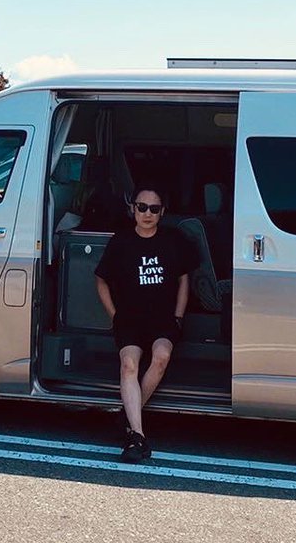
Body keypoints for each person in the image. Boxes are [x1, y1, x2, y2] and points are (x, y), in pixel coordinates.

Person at [94, 185, 195, 463]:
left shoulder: (173, 240)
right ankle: (137, 435)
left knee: (161, 357)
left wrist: (178, 315)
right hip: (129, 317)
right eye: (142, 207)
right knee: (129, 364)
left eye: (153, 209)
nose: (147, 213)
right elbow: (101, 278)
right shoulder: (121, 241)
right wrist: (114, 313)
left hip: (163, 318)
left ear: (162, 212)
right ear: (132, 209)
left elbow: (184, 278)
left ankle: (127, 416)